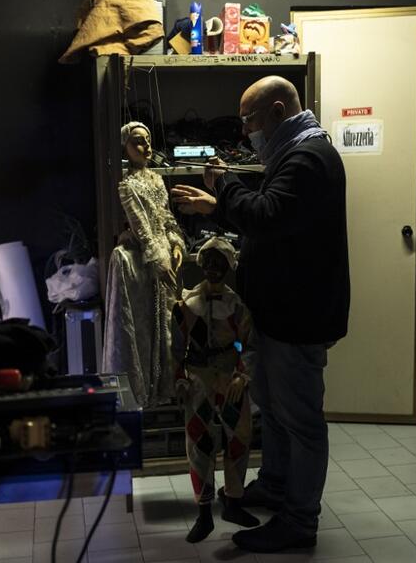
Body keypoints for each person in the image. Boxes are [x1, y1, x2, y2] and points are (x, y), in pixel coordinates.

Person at [170, 76, 350, 553]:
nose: (245, 129)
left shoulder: (308, 158)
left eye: (248, 119)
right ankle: (275, 484)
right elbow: (277, 220)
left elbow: (267, 216)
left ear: (276, 110)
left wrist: (224, 185)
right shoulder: (293, 153)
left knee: (301, 419)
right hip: (280, 313)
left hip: (298, 317)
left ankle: (299, 519)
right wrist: (220, 204)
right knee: (273, 408)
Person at [171, 237, 259, 543]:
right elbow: (176, 348)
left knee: (239, 438)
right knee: (199, 443)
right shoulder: (186, 307)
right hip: (198, 380)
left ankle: (233, 501)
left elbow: (245, 344)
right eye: (208, 262)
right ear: (201, 263)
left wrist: (240, 374)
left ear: (229, 267)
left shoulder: (237, 307)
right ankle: (204, 512)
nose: (213, 269)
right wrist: (180, 377)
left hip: (229, 380)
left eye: (220, 263)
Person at [102, 122, 184, 407]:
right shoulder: (127, 185)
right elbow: (142, 228)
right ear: (125, 147)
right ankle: (143, 391)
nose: (146, 147)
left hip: (163, 257)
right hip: (140, 262)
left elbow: (166, 218)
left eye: (148, 141)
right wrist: (158, 257)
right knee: (142, 327)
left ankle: (166, 387)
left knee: (167, 322)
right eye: (138, 141)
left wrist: (175, 244)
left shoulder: (157, 180)